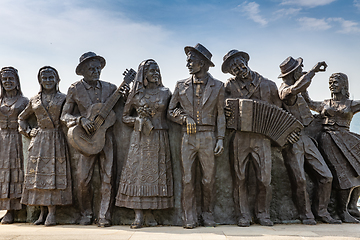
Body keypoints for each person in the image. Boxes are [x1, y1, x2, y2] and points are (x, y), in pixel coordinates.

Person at [60, 52, 129, 227]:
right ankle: (86, 213)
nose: (96, 71)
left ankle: (104, 215)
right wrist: (79, 120)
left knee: (108, 177)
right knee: (83, 179)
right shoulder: (74, 89)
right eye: (91, 68)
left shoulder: (111, 87)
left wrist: (126, 95)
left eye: (98, 68)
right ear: (82, 71)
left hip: (106, 138)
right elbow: (64, 115)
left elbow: (124, 107)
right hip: (85, 139)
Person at [222, 50, 282, 227]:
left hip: (262, 138)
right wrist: (227, 110)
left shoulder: (269, 85)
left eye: (239, 64)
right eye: (233, 68)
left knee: (264, 179)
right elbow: (223, 110)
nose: (238, 69)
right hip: (240, 137)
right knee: (239, 178)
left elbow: (279, 112)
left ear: (245, 62)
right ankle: (243, 215)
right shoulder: (229, 87)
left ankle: (263, 213)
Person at [168, 43, 225, 229]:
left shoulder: (218, 86)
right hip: (188, 137)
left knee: (208, 179)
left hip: (208, 136)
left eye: (191, 61)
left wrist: (221, 138)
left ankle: (207, 214)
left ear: (203, 63)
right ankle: (189, 216)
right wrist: (184, 119)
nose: (188, 64)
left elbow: (221, 115)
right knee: (187, 179)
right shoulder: (180, 85)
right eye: (188, 61)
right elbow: (171, 111)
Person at [278, 57, 341, 225]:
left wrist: (327, 108)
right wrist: (313, 71)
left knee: (326, 176)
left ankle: (321, 212)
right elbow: (297, 88)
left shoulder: (300, 88)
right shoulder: (286, 89)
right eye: (300, 69)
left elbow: (311, 103)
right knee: (300, 180)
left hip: (307, 137)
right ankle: (305, 215)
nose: (302, 71)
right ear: (293, 73)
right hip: (293, 141)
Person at [116, 59, 173, 229]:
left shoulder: (166, 92)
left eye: (157, 70)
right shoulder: (136, 94)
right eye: (151, 71)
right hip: (140, 138)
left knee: (157, 175)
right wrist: (138, 119)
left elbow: (172, 112)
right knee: (138, 176)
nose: (155, 74)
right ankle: (138, 215)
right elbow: (125, 117)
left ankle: (151, 213)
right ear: (144, 75)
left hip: (159, 136)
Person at [302, 72, 360, 223]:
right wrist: (304, 80)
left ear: (343, 85)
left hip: (346, 139)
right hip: (328, 139)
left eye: (335, 82)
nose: (332, 85)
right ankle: (342, 211)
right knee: (343, 174)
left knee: (357, 170)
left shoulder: (351, 104)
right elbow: (307, 101)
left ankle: (352, 206)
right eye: (330, 82)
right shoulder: (325, 104)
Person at [19, 66, 72, 226]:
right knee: (39, 177)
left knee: (53, 176)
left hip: (56, 138)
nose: (48, 81)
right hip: (39, 140)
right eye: (45, 78)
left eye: (51, 77)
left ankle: (52, 213)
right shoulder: (34, 100)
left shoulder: (63, 98)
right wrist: (28, 131)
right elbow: (22, 118)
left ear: (57, 80)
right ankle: (41, 213)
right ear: (40, 80)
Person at [0, 67, 28, 224]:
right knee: (2, 174)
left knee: (15, 173)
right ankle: (5, 209)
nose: (7, 82)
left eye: (11, 79)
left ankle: (15, 210)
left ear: (17, 82)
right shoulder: (0, 101)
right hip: (1, 138)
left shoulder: (24, 101)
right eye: (4, 80)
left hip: (17, 139)